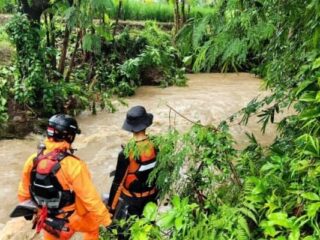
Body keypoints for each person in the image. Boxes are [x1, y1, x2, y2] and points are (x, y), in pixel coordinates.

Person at [17, 114, 112, 240]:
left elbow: (23, 191)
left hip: (47, 221)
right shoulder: (74, 165)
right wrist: (108, 222)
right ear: (69, 136)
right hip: (70, 220)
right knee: (94, 227)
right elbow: (91, 200)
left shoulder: (32, 160)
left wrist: (27, 209)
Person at [108, 106, 158, 220]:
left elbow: (118, 183)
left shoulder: (126, 153)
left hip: (130, 203)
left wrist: (111, 208)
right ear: (146, 125)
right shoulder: (156, 146)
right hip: (151, 201)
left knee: (126, 235)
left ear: (131, 128)